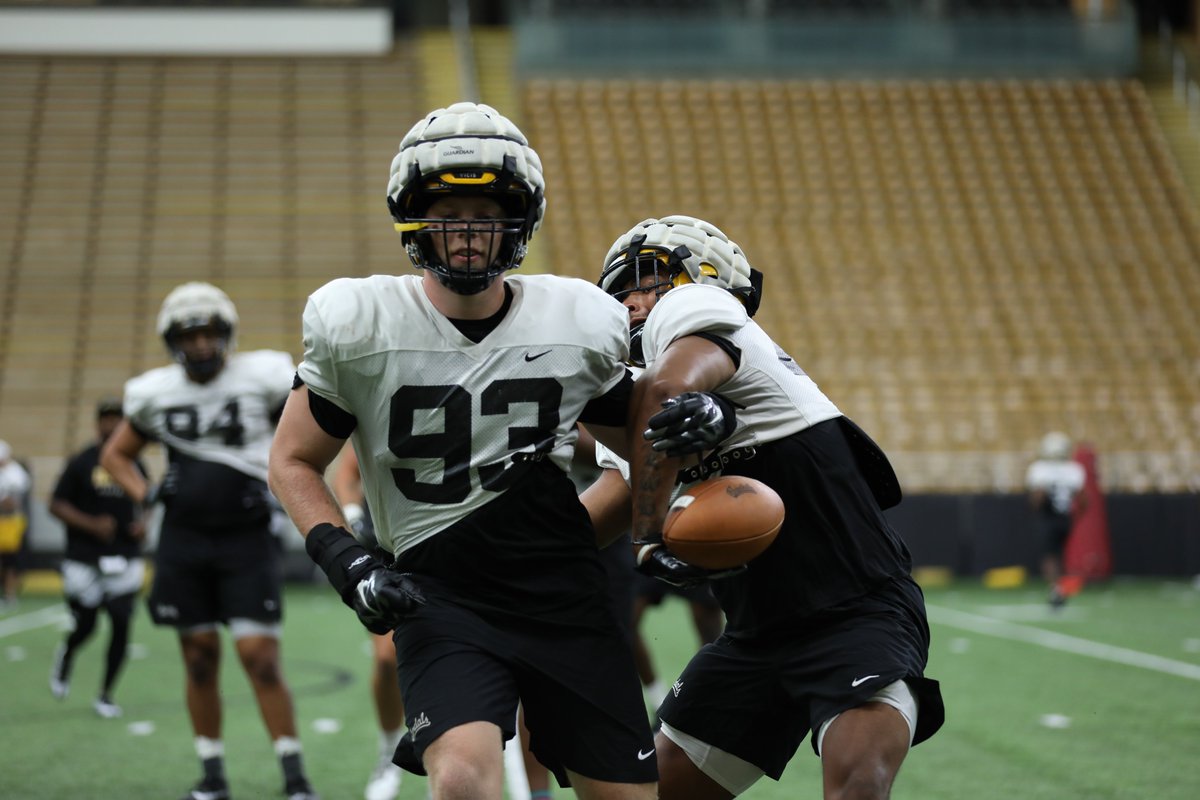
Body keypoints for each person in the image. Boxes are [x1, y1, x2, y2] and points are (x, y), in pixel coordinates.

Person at [267, 102, 729, 800]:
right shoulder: (358, 322)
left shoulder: (576, 320)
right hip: (440, 593)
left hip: (563, 594)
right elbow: (293, 459)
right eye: (449, 212)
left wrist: (700, 419)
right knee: (462, 780)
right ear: (413, 217)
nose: (467, 234)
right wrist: (347, 560)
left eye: (486, 213)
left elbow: (639, 445)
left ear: (519, 220)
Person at [588, 215, 945, 800]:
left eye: (644, 281)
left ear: (702, 277)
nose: (628, 302)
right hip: (755, 637)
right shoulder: (641, 399)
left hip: (856, 614)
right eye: (618, 292)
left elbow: (666, 392)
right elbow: (583, 523)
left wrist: (649, 536)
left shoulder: (703, 316)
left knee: (857, 787)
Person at [100, 282, 318, 800]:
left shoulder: (263, 377)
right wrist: (147, 492)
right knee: (198, 657)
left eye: (208, 333)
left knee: (260, 656)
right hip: (184, 539)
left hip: (245, 537)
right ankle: (212, 774)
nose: (199, 344)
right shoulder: (155, 392)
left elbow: (306, 428)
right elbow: (116, 455)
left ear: (226, 335)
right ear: (172, 340)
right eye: (188, 334)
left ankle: (294, 775)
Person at [48, 398, 147, 718]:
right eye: (107, 419)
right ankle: (67, 652)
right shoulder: (82, 462)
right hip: (85, 557)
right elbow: (56, 504)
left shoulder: (135, 463)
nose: (112, 425)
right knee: (87, 624)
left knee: (121, 621)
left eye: (118, 419)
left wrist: (142, 526)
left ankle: (106, 694)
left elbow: (147, 501)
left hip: (123, 557)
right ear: (97, 424)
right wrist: (90, 524)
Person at [330, 446, 407, 800]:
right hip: (388, 545)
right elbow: (346, 473)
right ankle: (388, 755)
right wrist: (352, 514)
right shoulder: (383, 395)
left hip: (452, 540)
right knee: (387, 659)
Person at [1026, 431, 1087, 608]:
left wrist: (1037, 505)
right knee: (1060, 554)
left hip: (1048, 517)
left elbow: (1037, 499)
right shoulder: (1074, 469)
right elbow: (1083, 500)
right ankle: (1060, 587)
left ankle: (1056, 589)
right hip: (1065, 518)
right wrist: (1076, 516)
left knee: (1049, 556)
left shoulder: (1039, 469)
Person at [0, 438, 32, 609]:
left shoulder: (15, 473)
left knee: (11, 559)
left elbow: (12, 503)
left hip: (11, 522)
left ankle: (9, 593)